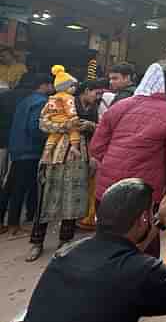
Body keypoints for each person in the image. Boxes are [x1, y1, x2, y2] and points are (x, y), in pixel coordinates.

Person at [23, 178, 166, 322]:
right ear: (143, 219)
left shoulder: (68, 252)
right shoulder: (141, 271)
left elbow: (125, 252)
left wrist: (159, 221)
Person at [90, 63, 166, 258]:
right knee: (145, 248)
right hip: (144, 194)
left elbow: (96, 148)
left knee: (106, 244)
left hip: (108, 190)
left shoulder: (118, 107)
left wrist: (114, 164)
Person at [28, 70, 93, 262]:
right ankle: (36, 242)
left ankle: (65, 240)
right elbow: (43, 124)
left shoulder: (87, 107)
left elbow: (96, 127)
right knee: (46, 198)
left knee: (72, 199)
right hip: (53, 157)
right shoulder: (53, 102)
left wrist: (86, 125)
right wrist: (67, 126)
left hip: (77, 158)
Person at [0, 74, 52, 238]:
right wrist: (49, 137)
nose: (53, 88)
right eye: (51, 85)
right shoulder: (41, 102)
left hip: (17, 148)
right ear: (44, 85)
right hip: (30, 151)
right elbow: (35, 127)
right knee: (20, 188)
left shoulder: (26, 100)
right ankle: (14, 225)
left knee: (10, 185)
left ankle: (4, 222)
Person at [75, 81, 103, 231]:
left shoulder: (93, 108)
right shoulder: (71, 105)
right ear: (86, 91)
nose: (97, 97)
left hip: (89, 149)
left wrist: (91, 126)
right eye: (95, 93)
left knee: (87, 183)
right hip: (72, 150)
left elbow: (99, 129)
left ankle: (84, 217)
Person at [41, 65, 81, 163]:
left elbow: (44, 111)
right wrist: (74, 118)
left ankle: (47, 152)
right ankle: (74, 147)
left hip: (53, 119)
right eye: (72, 86)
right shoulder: (68, 97)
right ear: (66, 87)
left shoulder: (52, 97)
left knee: (53, 135)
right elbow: (70, 108)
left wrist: (46, 116)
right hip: (65, 120)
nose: (74, 89)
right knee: (74, 131)